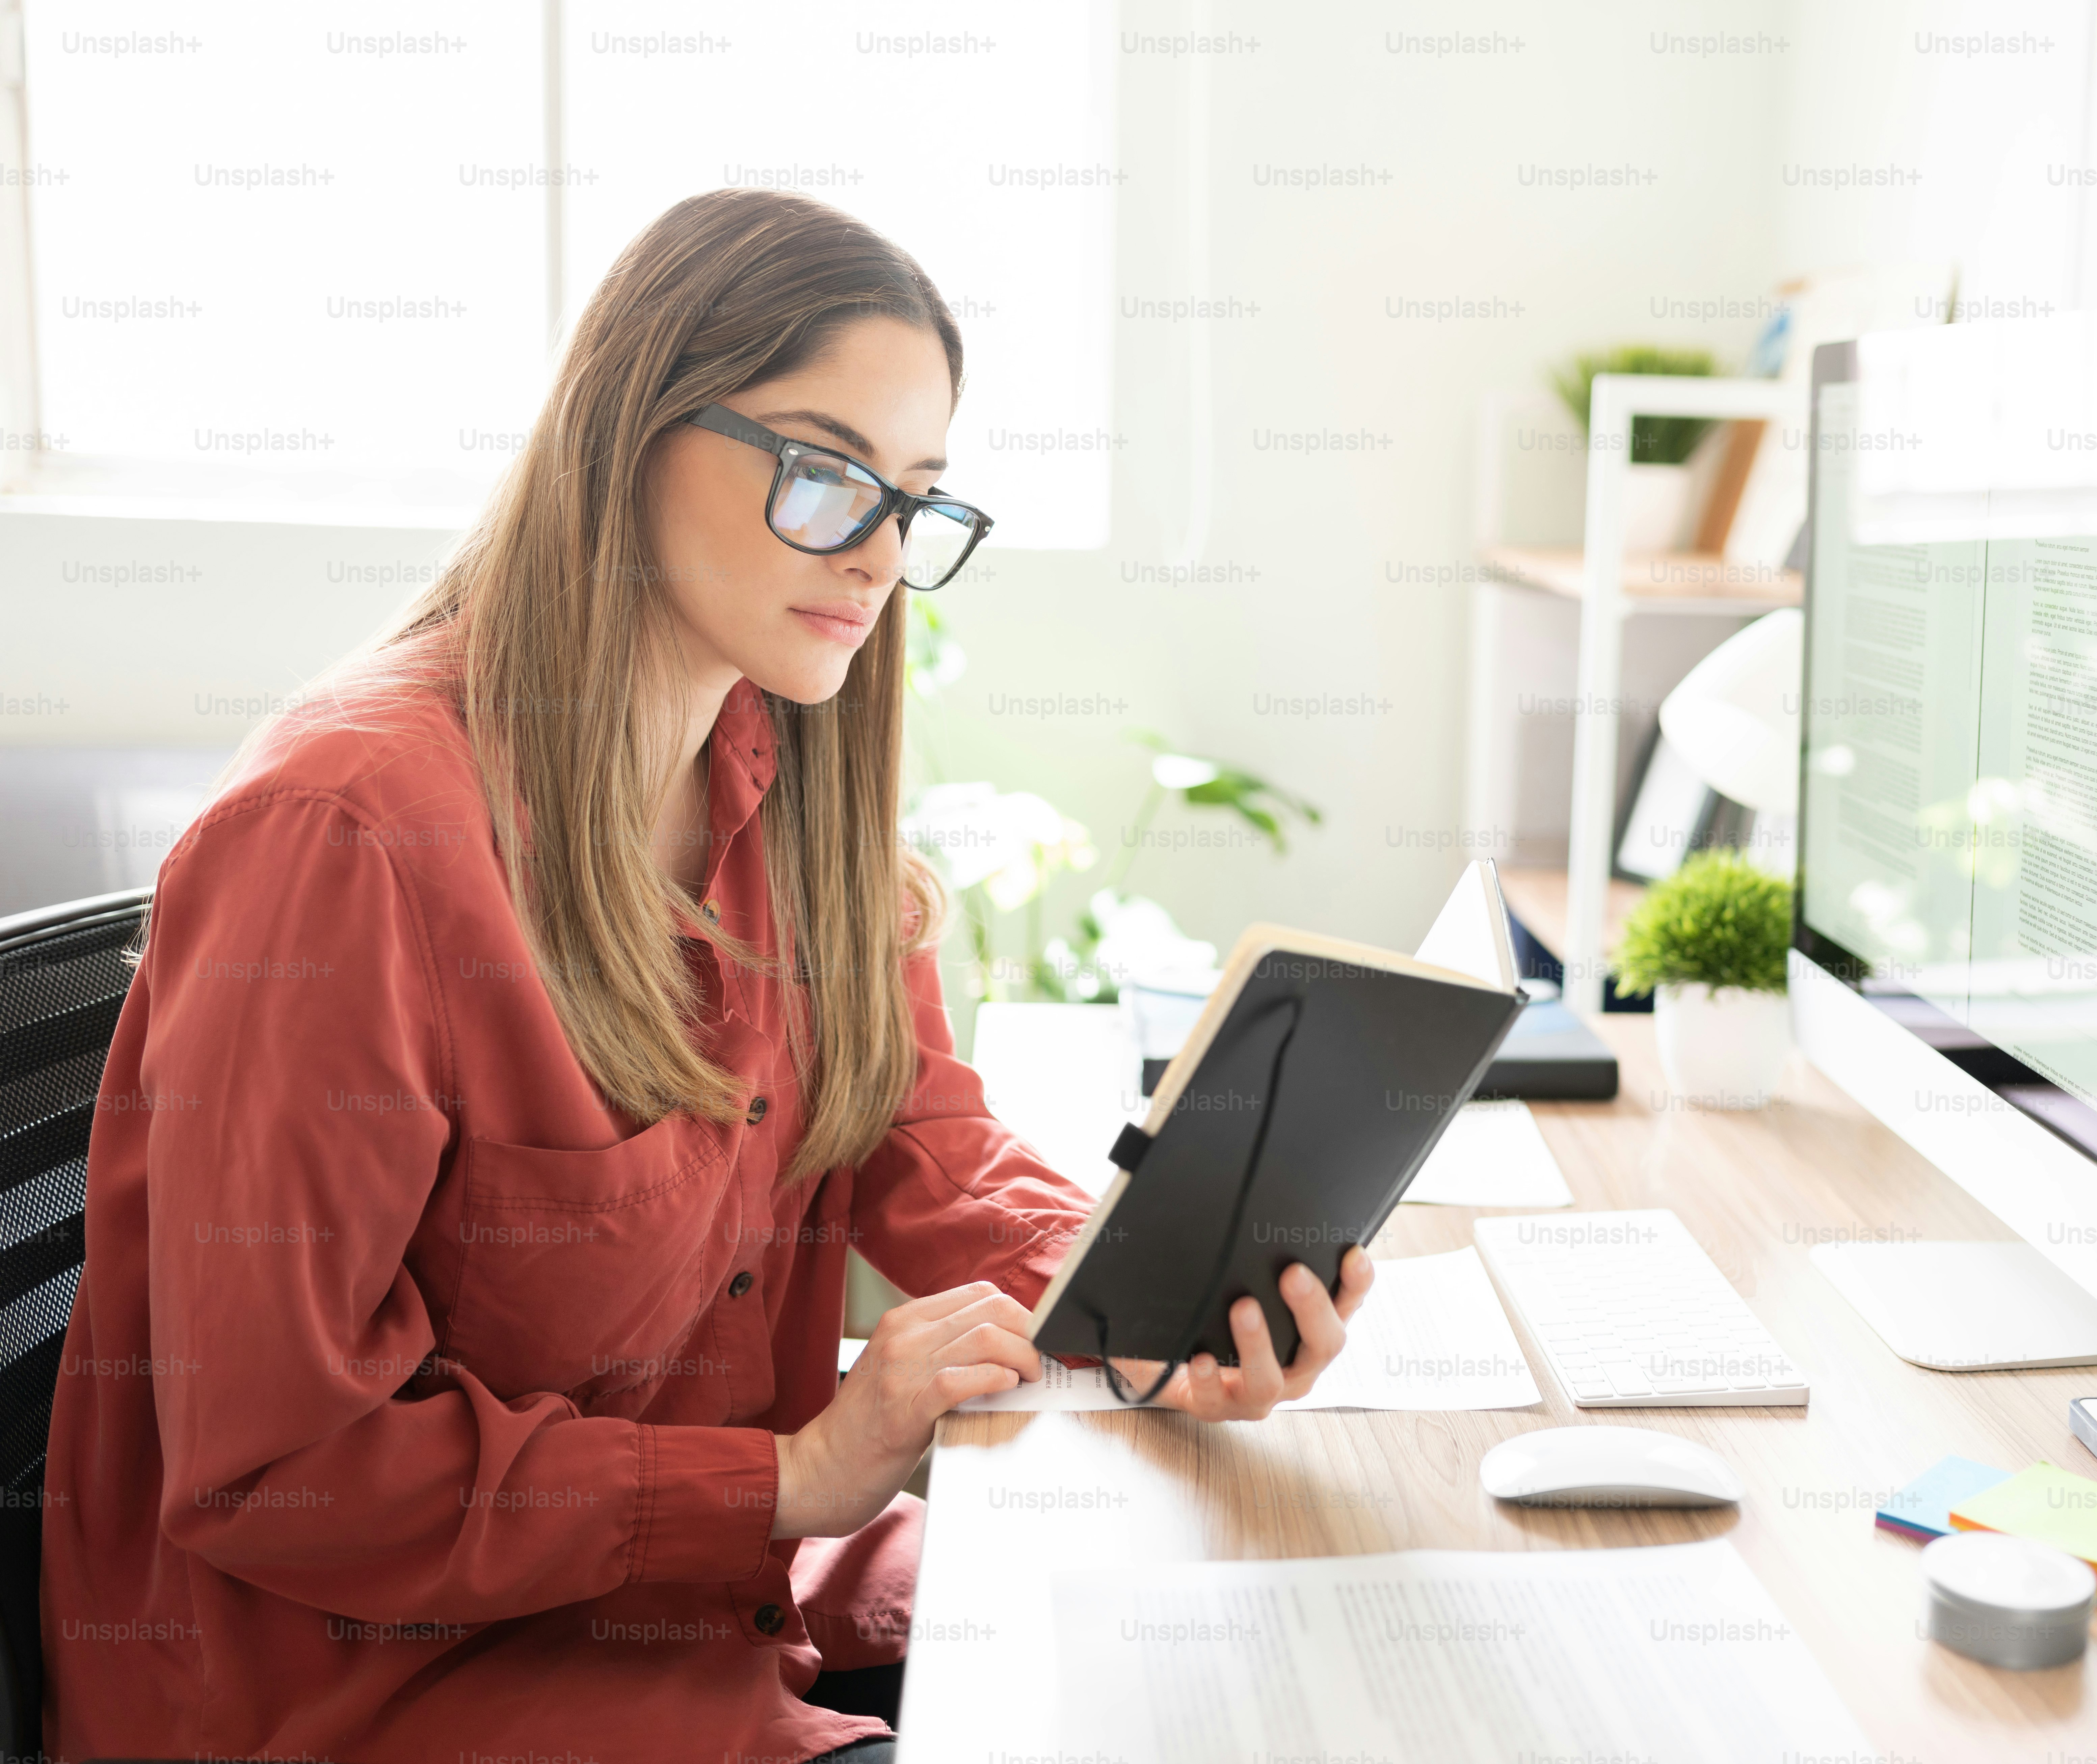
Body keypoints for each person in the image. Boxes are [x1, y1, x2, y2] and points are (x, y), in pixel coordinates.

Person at [41, 187, 1373, 1764]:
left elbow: (919, 1140)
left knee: (1236, 1649)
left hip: (696, 1608)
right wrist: (800, 1472)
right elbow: (282, 1463)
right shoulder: (349, 837)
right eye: (825, 473)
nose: (880, 555)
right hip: (385, 1692)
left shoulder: (784, 760)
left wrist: (1153, 1281)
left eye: (918, 497)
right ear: (629, 432)